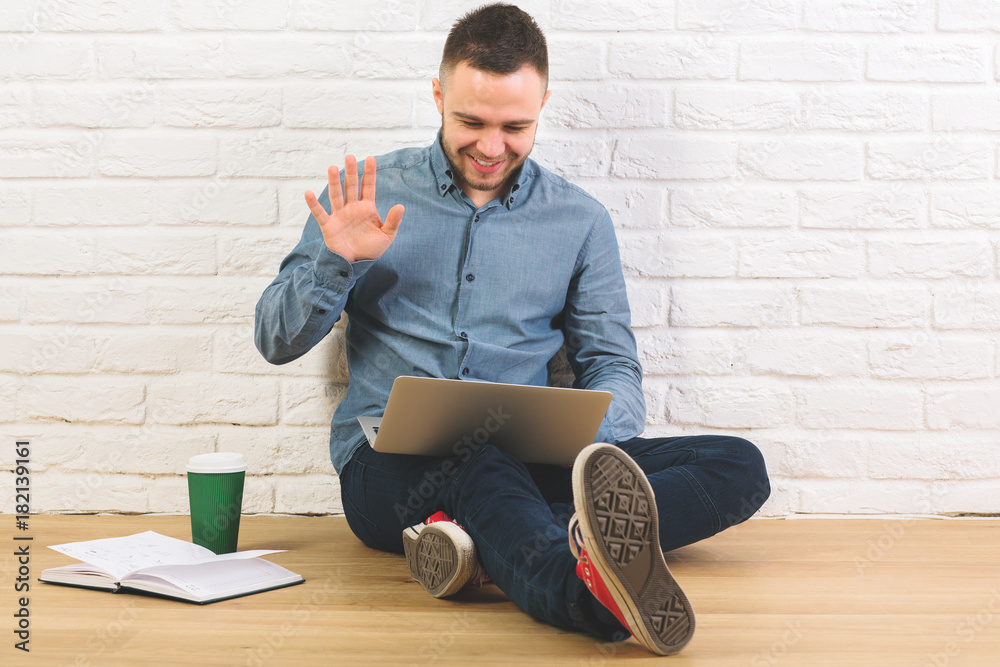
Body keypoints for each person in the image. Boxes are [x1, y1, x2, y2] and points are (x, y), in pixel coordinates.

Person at [254, 3, 769, 655]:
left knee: (735, 463)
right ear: (438, 95)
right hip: (386, 467)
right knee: (482, 460)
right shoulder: (365, 194)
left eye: (515, 126)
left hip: (530, 462)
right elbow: (276, 338)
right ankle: (579, 591)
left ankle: (481, 540)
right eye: (470, 120)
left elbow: (612, 363)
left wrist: (589, 442)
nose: (491, 147)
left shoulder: (579, 221)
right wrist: (338, 263)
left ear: (544, 105)